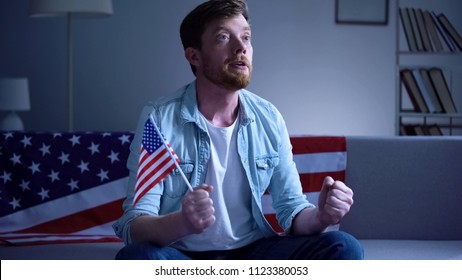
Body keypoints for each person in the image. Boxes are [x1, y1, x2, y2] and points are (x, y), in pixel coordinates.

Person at [113, 0, 363, 260]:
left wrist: (321, 216)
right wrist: (182, 223)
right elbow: (135, 224)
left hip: (253, 255)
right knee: (136, 258)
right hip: (182, 256)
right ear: (194, 56)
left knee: (344, 246)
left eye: (246, 37)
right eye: (223, 37)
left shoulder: (269, 118)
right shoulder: (159, 119)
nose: (241, 47)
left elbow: (292, 210)